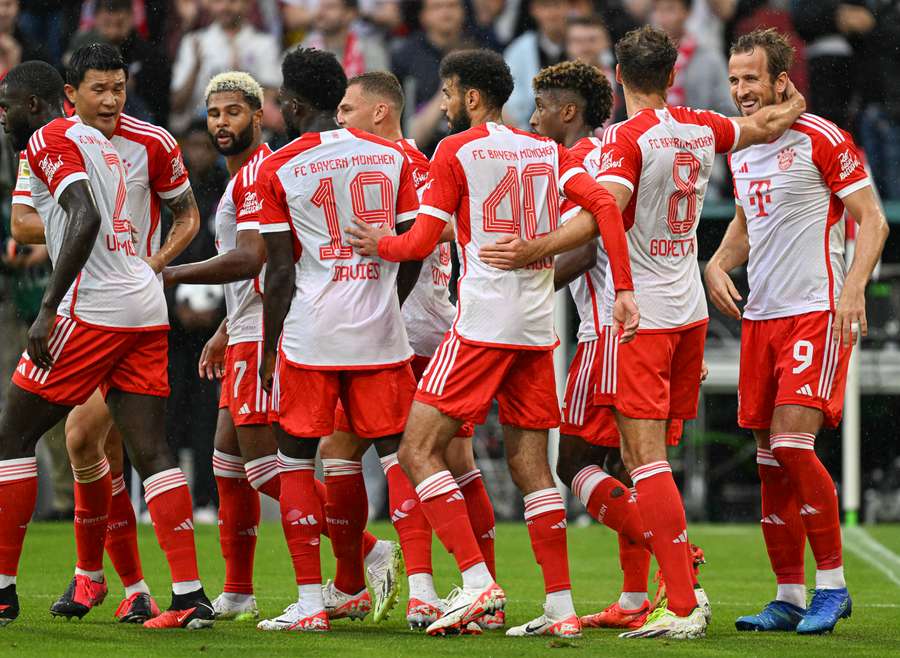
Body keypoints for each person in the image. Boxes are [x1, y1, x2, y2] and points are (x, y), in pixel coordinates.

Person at [478, 25, 807, 638]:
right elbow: (763, 126)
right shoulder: (701, 124)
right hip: (687, 314)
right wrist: (791, 100)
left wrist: (532, 250)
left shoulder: (626, 141)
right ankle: (643, 593)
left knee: (638, 459)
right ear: (672, 73)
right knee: (639, 462)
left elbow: (598, 217)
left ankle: (681, 598)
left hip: (636, 320)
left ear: (619, 75)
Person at [346, 48, 638, 638]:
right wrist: (624, 290)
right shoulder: (549, 151)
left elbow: (423, 239)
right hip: (535, 332)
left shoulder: (455, 151)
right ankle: (560, 610)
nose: (447, 106)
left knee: (416, 450)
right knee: (534, 469)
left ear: (471, 97)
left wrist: (381, 243)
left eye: (450, 95)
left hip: (480, 327)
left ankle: (478, 582)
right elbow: (606, 203)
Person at [0, 60, 213, 630]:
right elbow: (37, 220)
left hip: (93, 306)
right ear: (72, 93)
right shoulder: (97, 146)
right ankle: (181, 593)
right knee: (140, 448)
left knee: (15, 434)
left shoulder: (58, 138)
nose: (112, 98)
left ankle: (5, 588)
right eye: (101, 88)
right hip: (141, 307)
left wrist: (48, 307)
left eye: (119, 88)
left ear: (39, 103)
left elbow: (88, 214)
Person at [706, 28, 888, 635]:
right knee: (767, 460)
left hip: (816, 307)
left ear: (781, 80)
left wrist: (855, 287)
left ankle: (832, 588)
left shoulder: (821, 137)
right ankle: (787, 596)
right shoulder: (742, 148)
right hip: (761, 315)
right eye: (734, 81)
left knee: (792, 445)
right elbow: (746, 221)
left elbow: (873, 220)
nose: (741, 91)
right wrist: (717, 262)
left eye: (751, 79)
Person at [254, 47, 421, 633]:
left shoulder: (277, 167)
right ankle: (423, 593)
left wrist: (270, 347)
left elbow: (278, 272)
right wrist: (385, 305)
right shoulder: (393, 157)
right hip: (380, 335)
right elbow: (411, 249)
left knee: (297, 460)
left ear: (292, 103)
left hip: (310, 335)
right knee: (403, 458)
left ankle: (309, 605)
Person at [527, 58, 697, 631]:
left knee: (573, 461)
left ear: (568, 111)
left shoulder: (591, 159)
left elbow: (586, 244)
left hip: (610, 330)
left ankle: (669, 552)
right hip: (665, 315)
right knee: (625, 464)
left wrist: (522, 281)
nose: (534, 117)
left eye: (543, 106)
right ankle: (631, 600)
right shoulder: (631, 144)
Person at [336, 70, 500, 630]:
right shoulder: (416, 164)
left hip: (402, 332)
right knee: (451, 461)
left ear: (380, 112)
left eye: (347, 109)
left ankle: (425, 589)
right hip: (428, 327)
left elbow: (427, 238)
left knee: (398, 455)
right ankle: (461, 588)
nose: (340, 119)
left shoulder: (403, 163)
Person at [169, 0, 281, 134]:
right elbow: (176, 103)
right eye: (219, 1)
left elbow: (271, 93)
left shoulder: (264, 44)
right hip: (199, 132)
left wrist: (241, 82)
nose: (225, 7)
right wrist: (196, 68)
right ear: (209, 4)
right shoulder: (194, 41)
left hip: (247, 132)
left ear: (248, 5)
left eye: (233, 2)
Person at [65, 0, 169, 124]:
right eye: (107, 24)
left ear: (131, 17)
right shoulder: (81, 43)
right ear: (96, 18)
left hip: (138, 117)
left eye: (119, 24)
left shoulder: (149, 54)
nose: (113, 31)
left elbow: (159, 100)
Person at [503, 0, 568, 128]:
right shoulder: (519, 49)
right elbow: (508, 102)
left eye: (557, 5)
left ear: (567, 7)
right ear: (533, 10)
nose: (552, 13)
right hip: (528, 133)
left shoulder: (582, 42)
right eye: (545, 6)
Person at [301, 0, 389, 77]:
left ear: (350, 14)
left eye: (330, 7)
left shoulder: (370, 52)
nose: (320, 13)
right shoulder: (301, 52)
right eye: (320, 7)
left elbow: (379, 92)